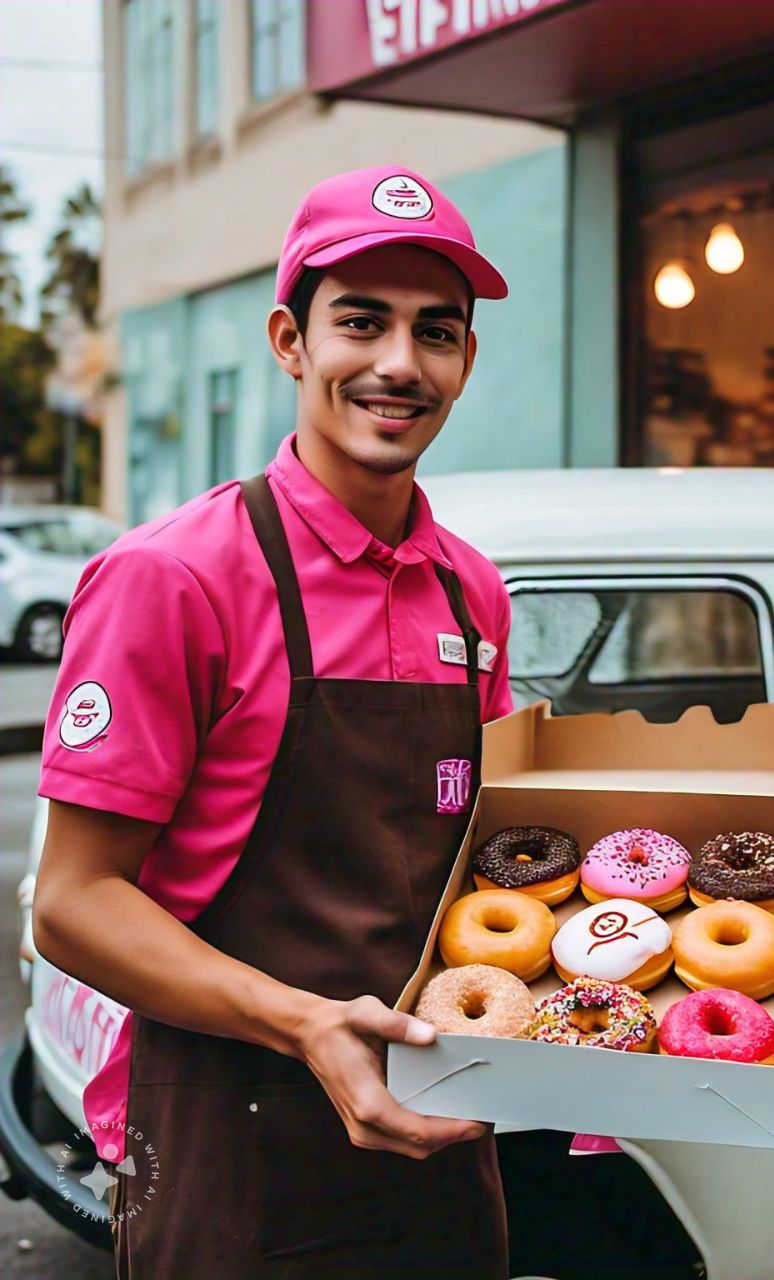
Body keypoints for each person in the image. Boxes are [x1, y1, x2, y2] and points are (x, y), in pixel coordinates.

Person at [33, 166, 513, 1279]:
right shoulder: (174, 578)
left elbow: (468, 861)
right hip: (233, 1146)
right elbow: (73, 903)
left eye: (434, 332)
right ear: (290, 341)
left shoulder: (469, 591)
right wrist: (303, 1023)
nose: (400, 363)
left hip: (442, 1141)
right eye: (361, 322)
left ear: (465, 362)